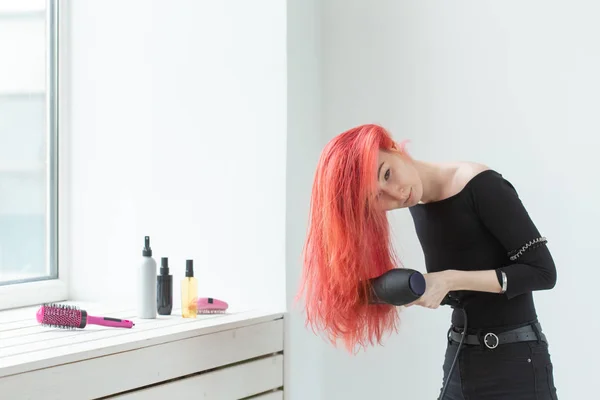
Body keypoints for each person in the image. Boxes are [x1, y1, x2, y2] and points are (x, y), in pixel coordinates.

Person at [297, 123, 558, 400]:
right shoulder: (416, 203)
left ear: (393, 147)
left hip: (518, 364)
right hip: (461, 359)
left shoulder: (482, 185)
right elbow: (467, 295)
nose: (396, 194)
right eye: (376, 197)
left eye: (387, 174)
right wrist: (424, 290)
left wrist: (448, 279)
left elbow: (542, 272)